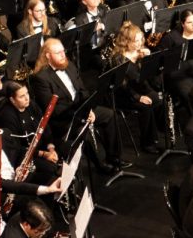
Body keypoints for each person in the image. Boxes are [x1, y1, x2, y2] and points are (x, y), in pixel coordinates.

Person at [28, 38, 126, 171]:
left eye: (63, 51)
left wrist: (88, 109)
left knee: (110, 115)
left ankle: (114, 157)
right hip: (64, 119)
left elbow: (83, 90)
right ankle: (101, 165)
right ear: (48, 56)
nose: (63, 55)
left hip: (82, 110)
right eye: (58, 53)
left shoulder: (69, 66)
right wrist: (81, 114)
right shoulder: (40, 78)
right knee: (83, 131)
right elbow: (53, 110)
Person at [107, 21, 163, 153]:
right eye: (135, 41)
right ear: (126, 41)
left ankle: (156, 135)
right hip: (124, 95)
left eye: (140, 40)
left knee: (160, 98)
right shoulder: (118, 59)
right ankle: (147, 143)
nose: (139, 44)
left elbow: (147, 79)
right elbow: (122, 85)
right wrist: (138, 98)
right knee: (146, 107)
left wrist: (148, 60)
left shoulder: (140, 53)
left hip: (140, 88)